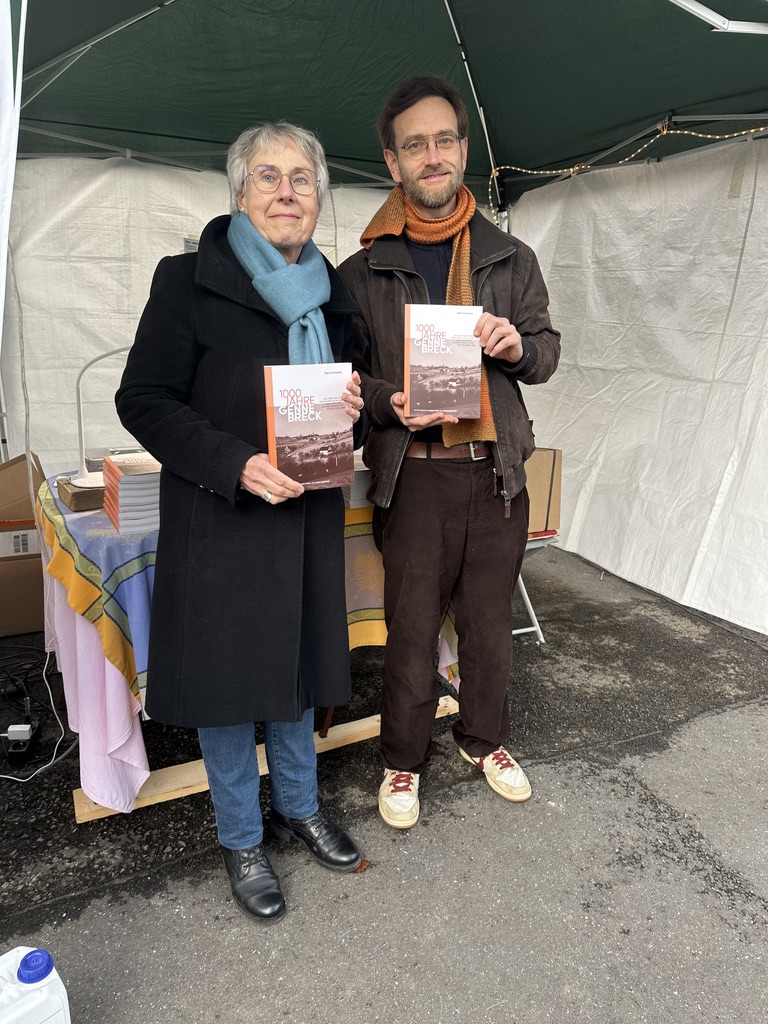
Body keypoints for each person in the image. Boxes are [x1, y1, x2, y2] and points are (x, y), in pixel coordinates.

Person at [116, 122, 367, 922]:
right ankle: (241, 836)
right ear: (239, 193)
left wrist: (356, 410)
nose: (287, 192)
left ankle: (299, 805)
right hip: (221, 517)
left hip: (306, 518)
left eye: (302, 178)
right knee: (228, 687)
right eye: (268, 176)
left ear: (317, 197)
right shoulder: (186, 280)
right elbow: (143, 399)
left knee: (295, 673)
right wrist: (235, 462)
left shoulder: (334, 295)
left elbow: (349, 408)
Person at [338, 77, 560, 829]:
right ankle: (403, 759)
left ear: (463, 149)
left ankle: (484, 740)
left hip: (496, 474)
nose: (431, 156)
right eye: (414, 145)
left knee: (489, 626)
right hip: (416, 475)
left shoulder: (511, 258)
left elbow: (547, 350)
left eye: (443, 140)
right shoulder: (361, 271)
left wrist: (517, 346)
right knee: (410, 629)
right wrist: (385, 402)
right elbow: (346, 376)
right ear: (393, 162)